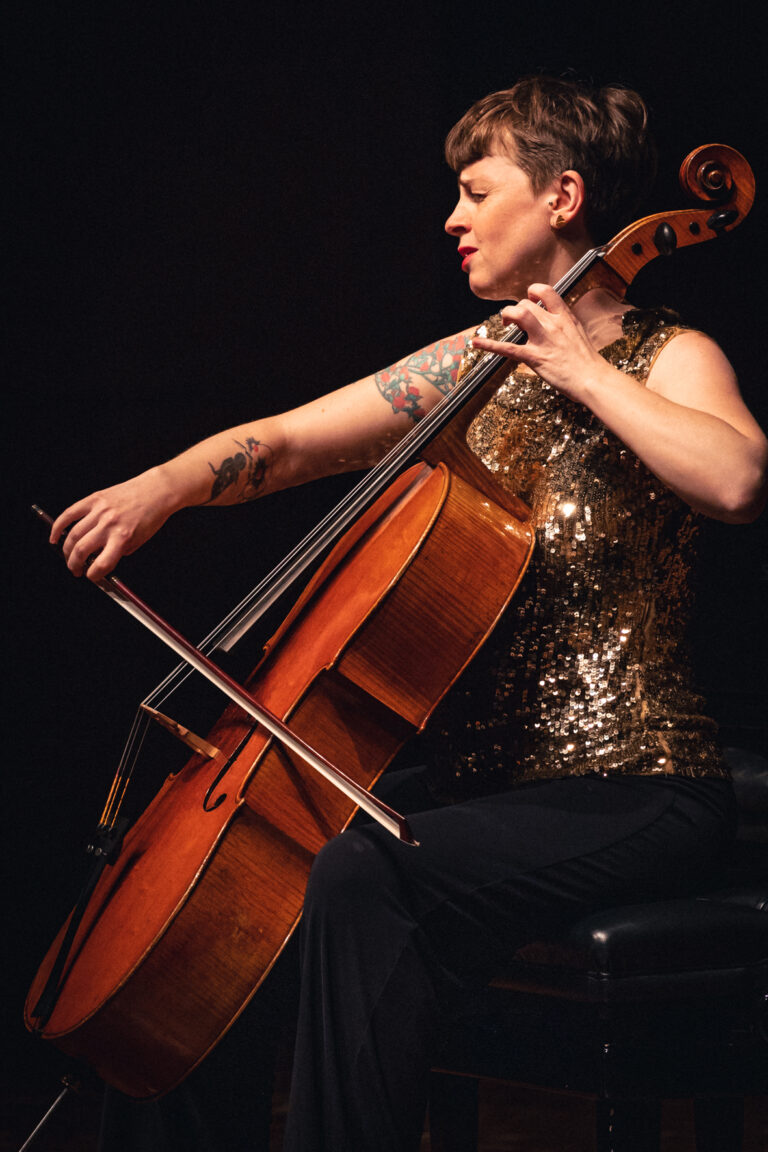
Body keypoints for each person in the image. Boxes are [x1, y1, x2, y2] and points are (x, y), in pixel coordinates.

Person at [51, 77, 766, 1151]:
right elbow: (287, 443)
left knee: (362, 872)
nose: (452, 218)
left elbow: (737, 480)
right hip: (495, 791)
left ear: (563, 197)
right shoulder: (471, 366)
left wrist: (581, 369)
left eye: (477, 191)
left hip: (640, 784)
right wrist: (162, 487)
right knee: (224, 893)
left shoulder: (671, 355)